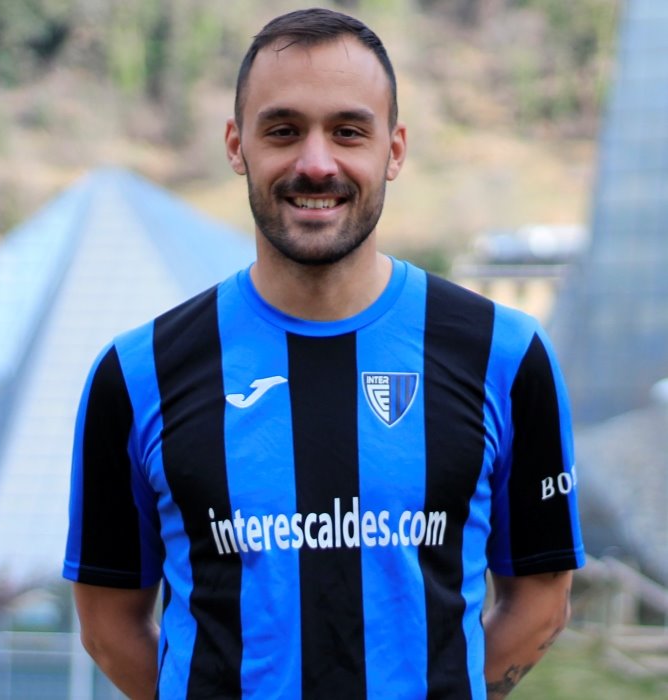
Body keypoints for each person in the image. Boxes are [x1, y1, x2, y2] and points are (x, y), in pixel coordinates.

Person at [64, 8, 585, 699]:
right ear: (236, 146)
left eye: (348, 131)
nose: (316, 164)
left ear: (394, 150)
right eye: (283, 131)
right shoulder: (137, 375)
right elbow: (108, 625)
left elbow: (541, 602)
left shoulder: (506, 356)